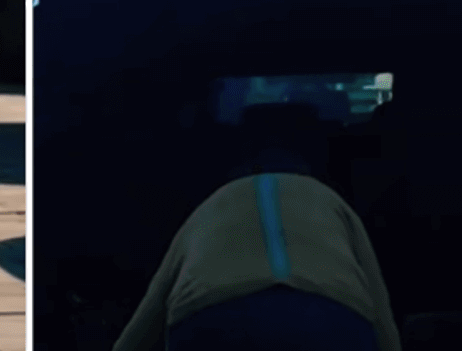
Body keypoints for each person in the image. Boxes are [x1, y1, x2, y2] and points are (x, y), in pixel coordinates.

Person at [114, 113, 400, 351]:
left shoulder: (210, 207)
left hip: (213, 315)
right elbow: (379, 305)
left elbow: (149, 314)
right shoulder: (330, 200)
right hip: (328, 314)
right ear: (307, 168)